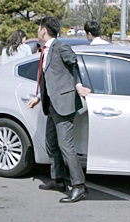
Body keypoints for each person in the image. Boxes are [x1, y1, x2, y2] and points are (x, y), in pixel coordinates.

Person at [27, 17, 92, 203]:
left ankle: (79, 186)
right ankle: (58, 180)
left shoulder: (61, 47)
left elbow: (75, 65)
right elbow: (48, 78)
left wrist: (79, 84)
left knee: (66, 146)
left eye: (39, 28)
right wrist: (38, 97)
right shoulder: (45, 50)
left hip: (64, 104)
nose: (38, 31)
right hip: (52, 104)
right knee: (51, 143)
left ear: (44, 30)